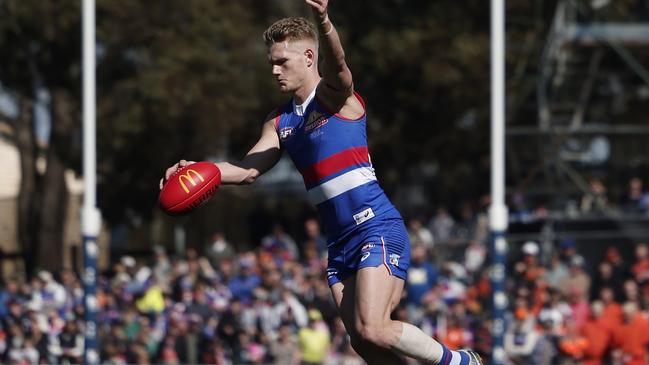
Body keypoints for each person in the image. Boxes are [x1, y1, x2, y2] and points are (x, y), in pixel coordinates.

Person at [161, 1, 482, 363]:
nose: (275, 71)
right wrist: (200, 170)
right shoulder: (279, 121)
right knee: (365, 343)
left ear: (310, 58)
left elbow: (341, 67)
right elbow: (249, 170)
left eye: (282, 62)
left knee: (374, 327)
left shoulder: (333, 98)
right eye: (271, 63)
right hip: (339, 241)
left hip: (374, 225)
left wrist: (324, 21)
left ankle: (462, 362)